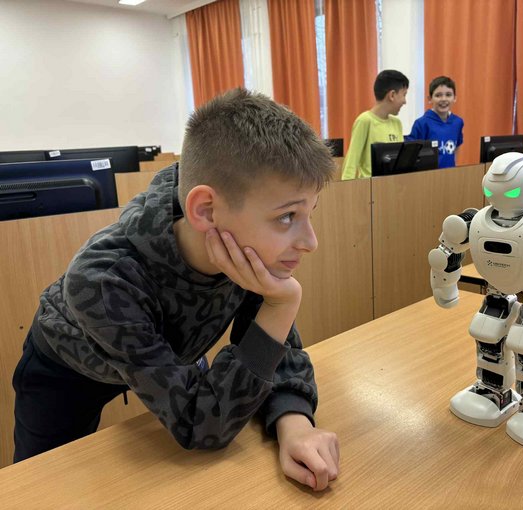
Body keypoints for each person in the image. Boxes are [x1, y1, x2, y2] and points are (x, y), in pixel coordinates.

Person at [12, 88, 340, 492]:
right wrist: (281, 304)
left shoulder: (238, 241)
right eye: (287, 216)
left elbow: (269, 350)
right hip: (67, 368)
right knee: (39, 486)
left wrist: (295, 422)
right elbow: (202, 425)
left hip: (170, 350)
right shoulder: (104, 279)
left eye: (309, 212)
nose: (310, 242)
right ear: (206, 210)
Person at [341, 69, 409, 180]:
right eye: (404, 95)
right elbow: (351, 162)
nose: (405, 101)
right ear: (392, 95)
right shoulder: (365, 121)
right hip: (370, 188)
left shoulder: (397, 123)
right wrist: (346, 189)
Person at [407, 76, 464, 169]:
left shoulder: (458, 122)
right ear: (430, 99)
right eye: (438, 95)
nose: (443, 99)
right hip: (429, 175)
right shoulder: (421, 123)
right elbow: (412, 154)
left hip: (450, 173)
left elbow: (456, 146)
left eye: (448, 95)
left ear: (455, 98)